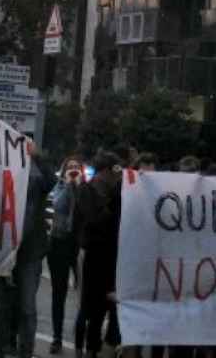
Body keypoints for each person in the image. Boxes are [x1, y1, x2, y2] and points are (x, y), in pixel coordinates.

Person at [0, 140, 53, 358]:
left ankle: (24, 353)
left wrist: (37, 156)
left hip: (30, 252)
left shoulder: (37, 175)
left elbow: (51, 182)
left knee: (27, 307)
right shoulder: (1, 172)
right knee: (3, 306)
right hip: (3, 251)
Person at [75, 149, 124, 358]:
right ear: (105, 171)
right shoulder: (89, 191)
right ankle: (88, 349)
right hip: (94, 255)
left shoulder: (117, 192)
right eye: (114, 172)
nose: (116, 177)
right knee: (92, 308)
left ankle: (102, 346)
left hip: (113, 256)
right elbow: (94, 220)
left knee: (109, 307)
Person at [46, 158, 84, 354]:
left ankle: (80, 339)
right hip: (59, 243)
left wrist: (78, 188)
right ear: (63, 171)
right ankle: (57, 337)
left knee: (83, 293)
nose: (74, 170)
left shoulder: (85, 189)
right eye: (70, 168)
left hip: (78, 245)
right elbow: (59, 205)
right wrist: (69, 185)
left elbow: (86, 210)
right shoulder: (59, 186)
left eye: (77, 168)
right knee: (58, 293)